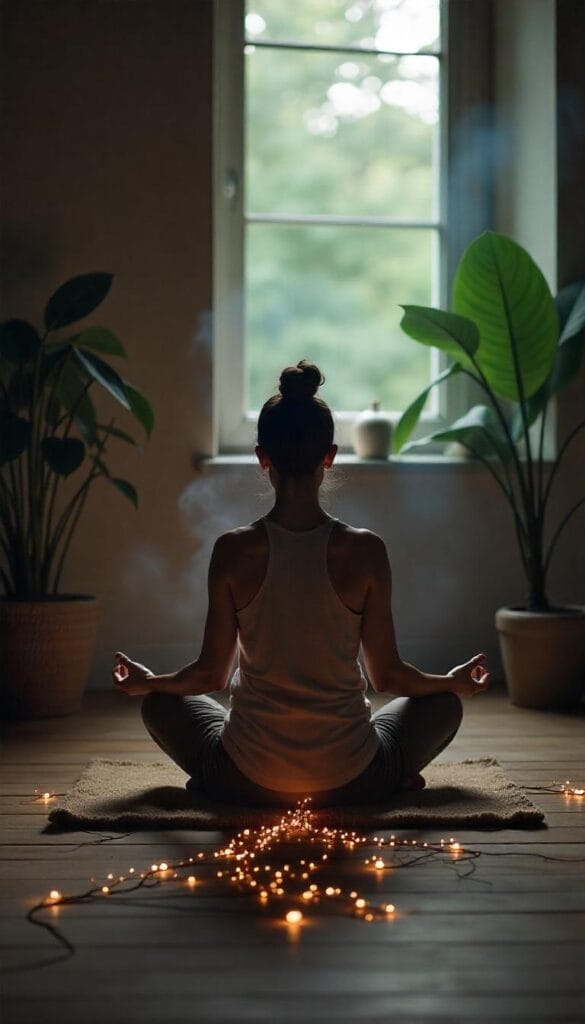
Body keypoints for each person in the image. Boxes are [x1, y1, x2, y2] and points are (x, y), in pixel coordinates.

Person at [112, 359, 489, 808]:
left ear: (261, 459)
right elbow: (387, 676)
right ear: (329, 457)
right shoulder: (366, 550)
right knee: (444, 704)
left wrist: (148, 681)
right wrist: (453, 681)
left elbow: (210, 675)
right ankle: (390, 781)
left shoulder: (232, 550)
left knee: (158, 703)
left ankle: (218, 784)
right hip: (353, 780)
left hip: (246, 778)